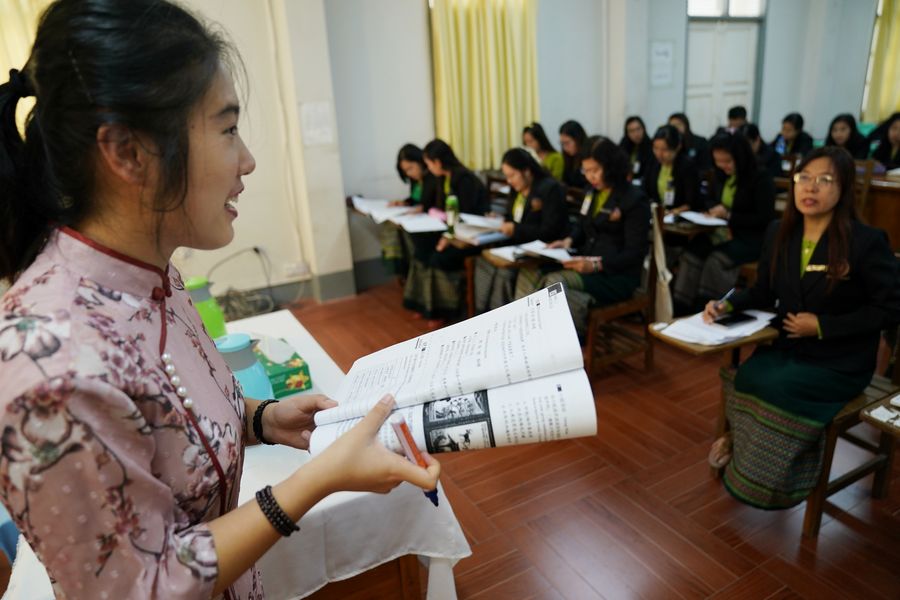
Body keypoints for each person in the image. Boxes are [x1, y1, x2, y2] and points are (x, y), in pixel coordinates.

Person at [0, 1, 440, 597]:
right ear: (127, 152)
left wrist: (262, 418)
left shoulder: (155, 276)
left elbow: (172, 427)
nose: (248, 160)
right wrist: (317, 480)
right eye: (228, 129)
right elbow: (139, 586)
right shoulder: (46, 366)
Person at [704, 146, 899, 509]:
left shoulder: (865, 241)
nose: (811, 187)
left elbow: (889, 309)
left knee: (780, 386)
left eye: (825, 180)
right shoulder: (780, 231)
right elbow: (763, 290)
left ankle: (781, 471)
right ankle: (744, 450)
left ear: (843, 189)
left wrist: (823, 326)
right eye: (804, 177)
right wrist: (726, 304)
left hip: (840, 360)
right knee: (747, 376)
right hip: (791, 347)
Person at [514, 138, 650, 337]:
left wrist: (596, 265)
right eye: (586, 171)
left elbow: (635, 252)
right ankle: (525, 332)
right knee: (529, 271)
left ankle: (556, 341)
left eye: (595, 170)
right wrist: (568, 241)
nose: (590, 176)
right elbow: (582, 225)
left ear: (611, 167)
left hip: (615, 275)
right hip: (585, 262)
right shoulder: (592, 191)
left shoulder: (634, 199)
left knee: (555, 282)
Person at [672, 132, 776, 314]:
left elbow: (764, 218)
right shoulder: (720, 175)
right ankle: (681, 309)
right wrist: (713, 209)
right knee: (692, 253)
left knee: (715, 261)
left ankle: (708, 310)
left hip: (750, 237)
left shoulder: (761, 177)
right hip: (721, 232)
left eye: (727, 161)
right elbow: (710, 199)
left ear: (740, 157)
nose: (722, 165)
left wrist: (729, 216)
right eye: (718, 161)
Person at [403, 139, 488, 324]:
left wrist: (448, 237)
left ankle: (444, 310)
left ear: (438, 162)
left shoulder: (464, 180)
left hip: (470, 236)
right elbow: (443, 211)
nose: (428, 168)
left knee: (438, 257)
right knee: (421, 250)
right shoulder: (443, 178)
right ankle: (423, 304)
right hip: (452, 232)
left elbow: (466, 216)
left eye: (429, 164)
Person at [473, 148, 568, 313]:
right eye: (507, 176)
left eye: (512, 175)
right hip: (516, 245)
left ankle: (504, 316)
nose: (509, 181)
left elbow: (550, 231)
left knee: (504, 273)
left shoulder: (549, 189)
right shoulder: (517, 190)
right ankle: (483, 313)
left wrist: (515, 229)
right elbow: (513, 217)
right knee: (483, 263)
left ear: (527, 171)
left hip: (540, 249)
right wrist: (501, 219)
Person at [379, 144, 438, 276]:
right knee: (393, 231)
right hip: (416, 219)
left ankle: (416, 272)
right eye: (405, 171)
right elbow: (415, 199)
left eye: (410, 168)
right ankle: (405, 272)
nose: (409, 173)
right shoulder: (415, 180)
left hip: (430, 223)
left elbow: (431, 203)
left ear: (420, 161)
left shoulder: (432, 177)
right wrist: (404, 203)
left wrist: (421, 208)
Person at [642, 125, 703, 214]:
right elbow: (645, 191)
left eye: (665, 149)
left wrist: (674, 211)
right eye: (655, 148)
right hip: (657, 213)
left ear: (677, 147)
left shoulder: (687, 166)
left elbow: (692, 202)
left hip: (678, 216)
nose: (659, 154)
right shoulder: (653, 162)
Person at [618, 116, 655, 183]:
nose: (636, 134)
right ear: (627, 133)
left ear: (643, 129)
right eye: (631, 131)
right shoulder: (623, 145)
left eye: (638, 129)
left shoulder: (651, 147)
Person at [558, 120, 589, 188]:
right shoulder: (568, 158)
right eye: (562, 144)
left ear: (578, 139)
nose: (565, 148)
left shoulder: (589, 156)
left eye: (567, 143)